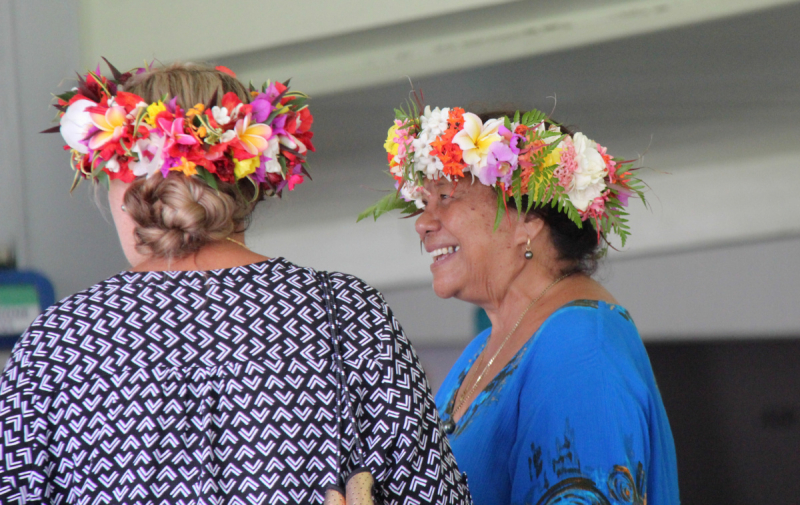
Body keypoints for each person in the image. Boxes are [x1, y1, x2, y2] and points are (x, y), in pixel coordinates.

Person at [0, 63, 471, 505]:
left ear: (128, 184)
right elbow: (433, 494)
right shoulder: (345, 311)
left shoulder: (61, 340)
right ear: (250, 178)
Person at [361, 103, 679, 504]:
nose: (423, 222)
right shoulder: (482, 350)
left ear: (528, 219)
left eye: (445, 196)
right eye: (424, 203)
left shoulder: (580, 345)